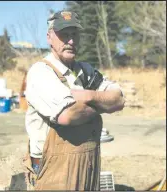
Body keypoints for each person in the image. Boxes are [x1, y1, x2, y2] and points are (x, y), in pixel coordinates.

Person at [23, 10, 125, 190]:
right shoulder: (41, 72)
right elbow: (68, 115)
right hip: (53, 169)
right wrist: (103, 104)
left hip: (87, 163)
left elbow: (119, 99)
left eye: (74, 34)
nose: (70, 41)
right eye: (64, 34)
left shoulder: (85, 70)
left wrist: (89, 96)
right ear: (49, 37)